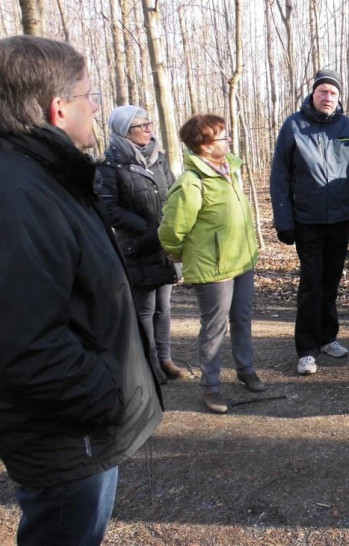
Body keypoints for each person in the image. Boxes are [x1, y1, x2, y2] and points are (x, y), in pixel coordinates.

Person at [0, 36, 162, 545]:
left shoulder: (46, 177)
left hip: (75, 430)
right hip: (68, 437)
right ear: (58, 107)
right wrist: (105, 396)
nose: (97, 108)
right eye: (90, 95)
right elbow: (23, 341)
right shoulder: (19, 193)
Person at [159, 114, 262, 414]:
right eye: (222, 136)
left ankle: (246, 369)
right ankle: (211, 387)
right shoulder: (191, 183)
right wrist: (180, 253)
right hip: (213, 269)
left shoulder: (230, 170)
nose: (228, 139)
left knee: (242, 318)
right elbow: (171, 230)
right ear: (204, 146)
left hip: (242, 261)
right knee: (214, 327)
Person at [270, 69, 349, 376]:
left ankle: (328, 337)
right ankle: (307, 349)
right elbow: (280, 177)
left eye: (334, 93)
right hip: (307, 221)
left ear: (339, 98)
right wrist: (283, 220)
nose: (328, 97)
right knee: (311, 283)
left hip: (340, 219)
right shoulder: (294, 126)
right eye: (323, 92)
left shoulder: (348, 127)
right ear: (313, 94)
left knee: (330, 282)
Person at [98, 105, 183, 384]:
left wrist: (170, 228)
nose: (149, 130)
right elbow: (110, 209)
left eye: (149, 124)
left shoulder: (160, 159)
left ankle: (166, 358)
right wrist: (149, 230)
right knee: (144, 310)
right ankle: (150, 362)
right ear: (125, 131)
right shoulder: (110, 166)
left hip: (162, 246)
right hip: (136, 246)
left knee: (165, 308)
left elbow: (173, 192)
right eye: (142, 126)